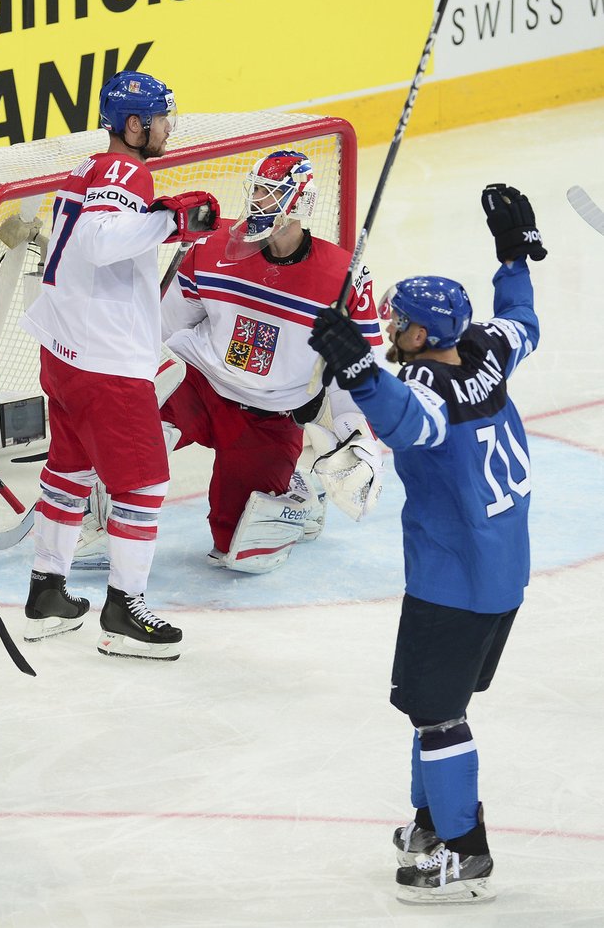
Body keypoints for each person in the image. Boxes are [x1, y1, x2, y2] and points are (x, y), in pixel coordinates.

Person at [308, 183, 546, 904]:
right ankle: (432, 821)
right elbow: (523, 319)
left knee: (440, 716)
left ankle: (466, 854)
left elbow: (409, 420)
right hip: (497, 569)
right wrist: (512, 256)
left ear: (419, 337)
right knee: (431, 704)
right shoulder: (487, 349)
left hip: (457, 576)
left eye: (397, 322)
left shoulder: (425, 387)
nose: (389, 325)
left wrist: (354, 370)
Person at [16, 69, 218, 661]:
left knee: (69, 470)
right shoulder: (125, 169)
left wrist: (160, 221)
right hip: (105, 360)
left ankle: (46, 591)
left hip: (65, 351)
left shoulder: (88, 168)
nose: (168, 129)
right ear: (134, 125)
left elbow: (93, 240)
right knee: (146, 480)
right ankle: (124, 609)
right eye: (160, 118)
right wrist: (171, 222)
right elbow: (103, 241)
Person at [135, 150, 386, 573]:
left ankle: (298, 494)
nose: (258, 201)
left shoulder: (343, 279)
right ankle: (106, 520)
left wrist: (354, 434)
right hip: (199, 383)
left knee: (236, 552)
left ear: (300, 204)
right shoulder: (211, 250)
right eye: (256, 189)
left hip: (268, 414)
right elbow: (162, 326)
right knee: (134, 436)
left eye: (271, 194)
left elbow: (361, 368)